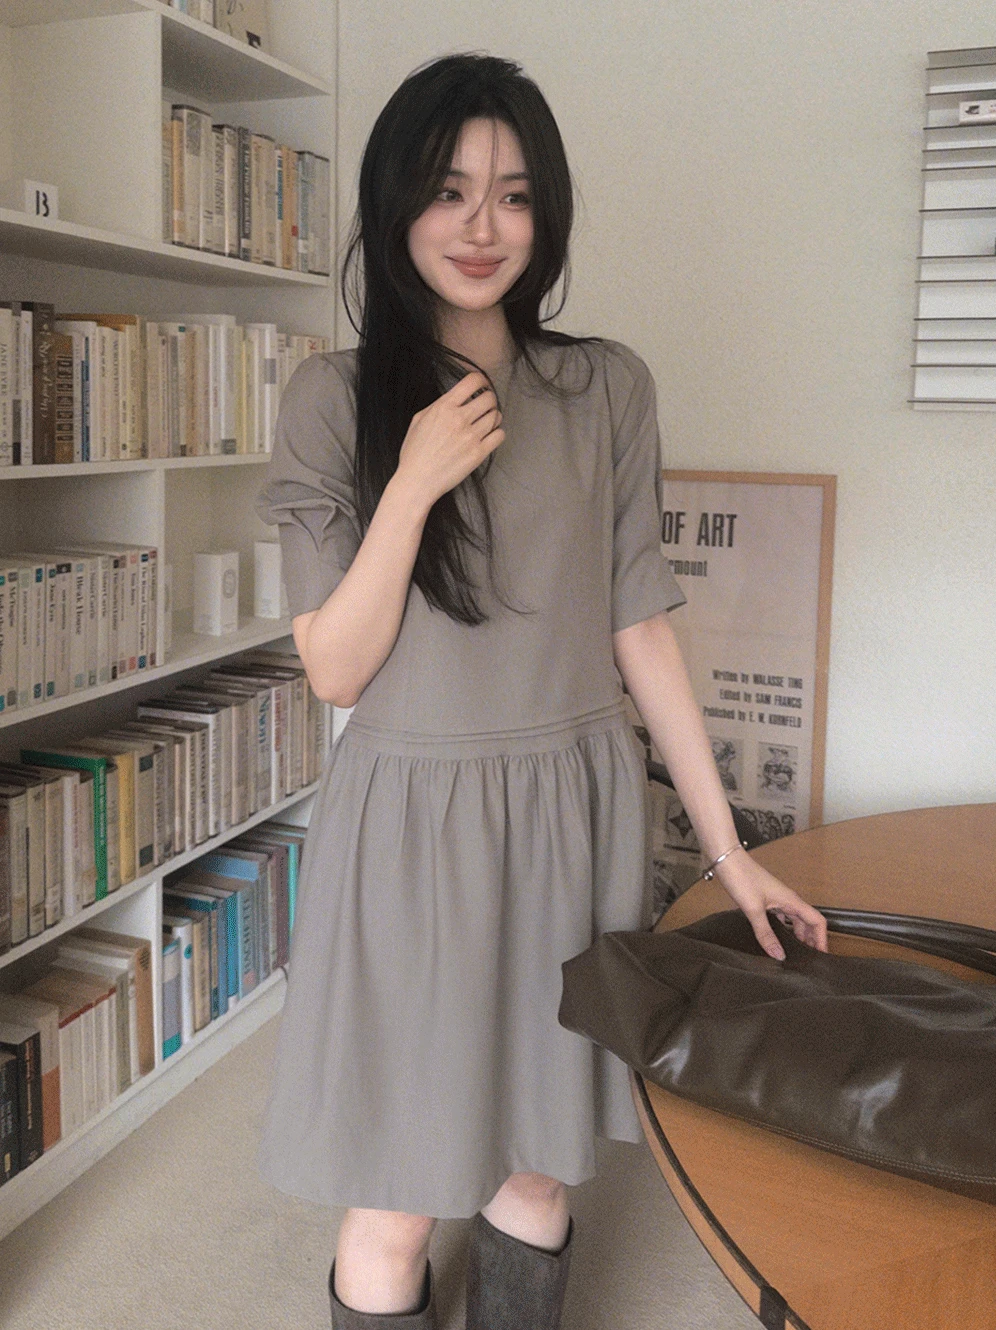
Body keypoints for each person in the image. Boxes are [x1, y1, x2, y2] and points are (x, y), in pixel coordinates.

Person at [255, 51, 828, 1330]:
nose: (481, 225)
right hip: (410, 825)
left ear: (545, 213)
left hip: (571, 809)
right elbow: (336, 665)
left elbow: (641, 630)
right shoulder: (329, 399)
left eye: (512, 195)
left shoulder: (605, 385)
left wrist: (728, 853)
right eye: (448, 190)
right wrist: (412, 482)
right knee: (399, 1190)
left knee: (535, 1161)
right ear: (394, 204)